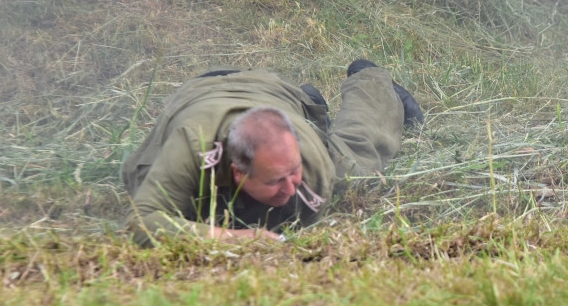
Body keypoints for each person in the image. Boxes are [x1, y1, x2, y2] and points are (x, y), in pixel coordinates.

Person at [122, 60, 423, 246]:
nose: (291, 187)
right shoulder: (191, 144)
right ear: (238, 172)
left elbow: (291, 236)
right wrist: (233, 238)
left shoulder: (312, 170)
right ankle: (309, 105)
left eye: (293, 172)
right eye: (276, 180)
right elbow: (142, 223)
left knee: (357, 164)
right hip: (199, 94)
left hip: (274, 92)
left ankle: (368, 80)